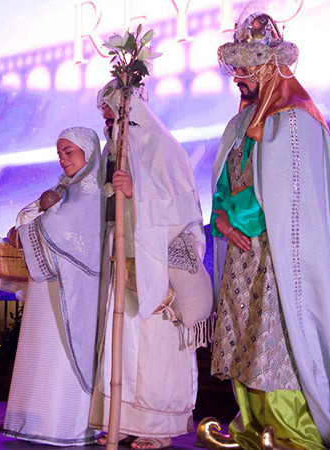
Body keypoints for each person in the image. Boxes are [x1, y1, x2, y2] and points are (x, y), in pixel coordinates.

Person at [202, 10, 330, 449]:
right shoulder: (237, 125)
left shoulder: (295, 122)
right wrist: (223, 218)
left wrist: (242, 217)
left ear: (270, 66)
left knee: (279, 340)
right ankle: (251, 427)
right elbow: (224, 184)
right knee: (246, 340)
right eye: (236, 67)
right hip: (243, 256)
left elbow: (291, 199)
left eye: (247, 67)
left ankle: (293, 432)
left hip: (280, 258)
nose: (238, 77)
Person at [91, 79, 210, 449]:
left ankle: (158, 428)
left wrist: (136, 192)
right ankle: (122, 419)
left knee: (155, 343)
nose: (107, 122)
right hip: (123, 258)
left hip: (156, 259)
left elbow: (182, 208)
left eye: (112, 113)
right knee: (121, 342)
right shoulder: (114, 150)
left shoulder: (163, 147)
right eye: (104, 117)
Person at [2, 127, 103, 446]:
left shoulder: (95, 192)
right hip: (45, 289)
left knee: (64, 353)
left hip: (73, 292)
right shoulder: (63, 189)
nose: (62, 159)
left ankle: (63, 426)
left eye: (68, 152)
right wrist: (37, 218)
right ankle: (32, 419)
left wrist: (41, 218)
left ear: (87, 153)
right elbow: (30, 216)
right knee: (39, 353)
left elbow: (62, 229)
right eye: (59, 153)